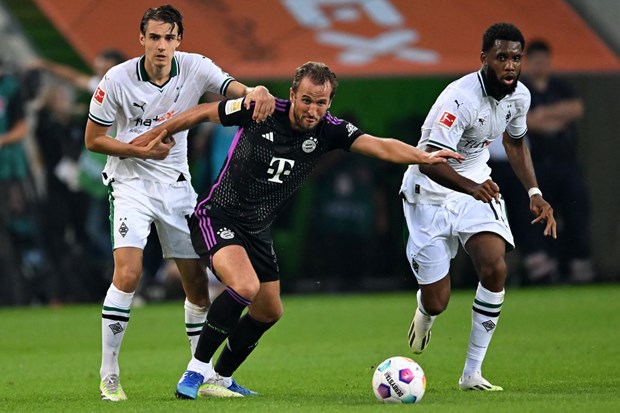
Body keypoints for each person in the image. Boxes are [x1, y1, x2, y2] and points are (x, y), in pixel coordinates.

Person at [130, 61, 463, 399]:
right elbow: (202, 112)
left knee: (268, 310)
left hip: (257, 229)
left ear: (329, 103)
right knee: (244, 286)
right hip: (219, 216)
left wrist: (423, 156)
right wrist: (160, 132)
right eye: (306, 100)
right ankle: (195, 371)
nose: (312, 109)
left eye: (321, 103)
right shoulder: (260, 108)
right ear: (292, 95)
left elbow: (379, 145)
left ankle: (221, 377)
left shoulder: (330, 130)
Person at [83, 5, 275, 401]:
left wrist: (257, 92)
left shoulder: (195, 67)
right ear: (141, 39)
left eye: (169, 38)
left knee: (197, 287)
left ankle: (200, 375)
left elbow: (236, 90)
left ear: (179, 41)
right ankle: (110, 375)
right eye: (154, 37)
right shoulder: (116, 80)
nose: (162, 46)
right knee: (129, 274)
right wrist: (140, 152)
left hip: (177, 188)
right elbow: (93, 139)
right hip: (130, 185)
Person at [400, 23, 557, 391]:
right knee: (438, 300)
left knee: (494, 267)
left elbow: (516, 143)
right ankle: (425, 311)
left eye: (516, 58)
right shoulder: (459, 100)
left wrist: (533, 191)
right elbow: (427, 160)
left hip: (475, 187)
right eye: (501, 57)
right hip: (430, 192)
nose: (510, 66)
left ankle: (471, 373)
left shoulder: (520, 97)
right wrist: (471, 187)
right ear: (484, 58)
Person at [520, 39, 595, 284]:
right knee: (539, 216)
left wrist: (543, 115)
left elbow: (575, 109)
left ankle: (580, 265)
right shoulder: (522, 90)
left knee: (575, 212)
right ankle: (543, 269)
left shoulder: (562, 86)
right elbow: (526, 122)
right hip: (539, 165)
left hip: (566, 164)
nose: (541, 65)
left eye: (544, 60)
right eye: (536, 61)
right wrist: (550, 118)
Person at [0, 58, 29, 305]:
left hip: (7, 173)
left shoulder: (9, 87)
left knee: (7, 236)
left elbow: (22, 128)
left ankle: (14, 295)